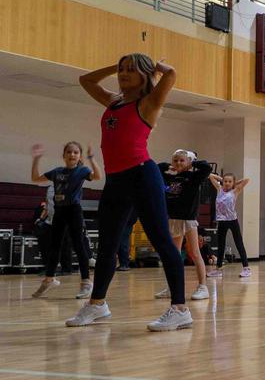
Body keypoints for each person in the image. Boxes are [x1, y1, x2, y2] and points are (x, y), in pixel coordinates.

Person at [66, 54, 191, 331]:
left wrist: (155, 65)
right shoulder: (114, 100)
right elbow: (85, 80)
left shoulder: (147, 103)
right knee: (108, 245)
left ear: (144, 75)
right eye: (122, 70)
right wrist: (116, 65)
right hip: (115, 181)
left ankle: (180, 308)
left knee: (161, 240)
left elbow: (170, 75)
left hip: (142, 177)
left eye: (130, 70)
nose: (123, 74)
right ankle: (97, 304)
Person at [30, 142, 100, 299]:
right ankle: (49, 279)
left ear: (79, 156)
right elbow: (35, 178)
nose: (72, 154)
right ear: (64, 155)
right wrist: (36, 159)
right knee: (55, 246)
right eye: (69, 152)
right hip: (59, 211)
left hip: (74, 211)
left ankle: (86, 283)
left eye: (76, 152)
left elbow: (97, 176)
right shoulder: (57, 172)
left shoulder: (82, 170)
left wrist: (91, 158)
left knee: (79, 246)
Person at [154, 150, 213, 301]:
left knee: (194, 253)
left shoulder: (194, 177)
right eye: (176, 160)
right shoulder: (168, 177)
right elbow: (155, 168)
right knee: (174, 256)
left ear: (188, 162)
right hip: (173, 219)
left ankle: (203, 287)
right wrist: (169, 165)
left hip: (188, 219)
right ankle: (172, 288)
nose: (178, 163)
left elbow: (207, 168)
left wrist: (192, 163)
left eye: (182, 160)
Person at [207, 173, 253, 278]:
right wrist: (221, 179)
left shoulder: (235, 191)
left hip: (232, 221)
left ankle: (246, 268)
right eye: (226, 181)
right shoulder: (219, 189)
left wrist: (234, 183)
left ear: (233, 183)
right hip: (221, 221)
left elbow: (246, 179)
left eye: (229, 181)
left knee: (239, 243)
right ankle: (218, 269)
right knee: (221, 245)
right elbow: (210, 176)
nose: (227, 183)